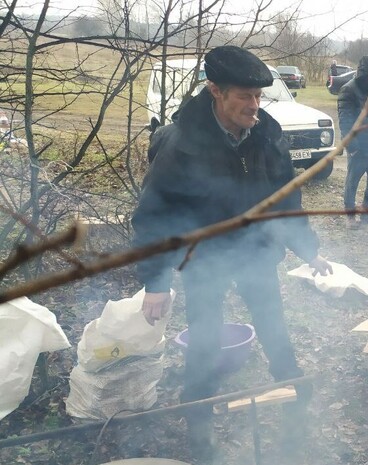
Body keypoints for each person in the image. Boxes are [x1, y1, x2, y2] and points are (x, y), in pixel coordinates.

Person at [131, 45, 333, 460]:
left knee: (273, 319)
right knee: (206, 334)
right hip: (203, 258)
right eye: (244, 96)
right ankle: (198, 415)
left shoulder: (266, 134)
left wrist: (307, 249)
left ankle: (291, 386)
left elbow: (286, 199)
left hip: (256, 250)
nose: (254, 106)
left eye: (259, 96)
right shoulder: (178, 144)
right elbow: (154, 215)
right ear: (215, 92)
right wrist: (156, 281)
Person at [338, 55, 368, 230]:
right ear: (364, 73)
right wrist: (353, 147)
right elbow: (345, 122)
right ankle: (350, 217)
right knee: (352, 183)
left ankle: (367, 211)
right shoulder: (348, 90)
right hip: (359, 148)